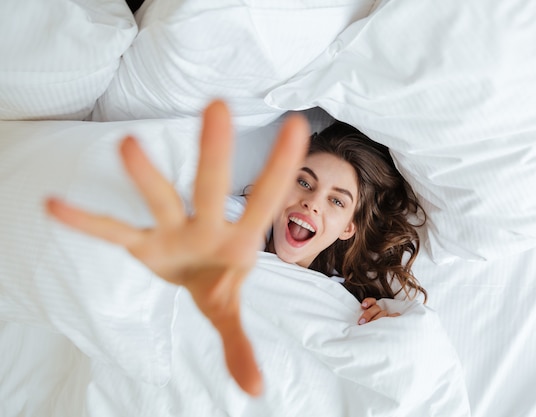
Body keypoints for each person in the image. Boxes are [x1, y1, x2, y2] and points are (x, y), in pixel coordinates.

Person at [45, 100, 426, 397]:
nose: (312, 204)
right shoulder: (231, 221)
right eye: (304, 183)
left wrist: (393, 325)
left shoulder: (345, 303)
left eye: (337, 201)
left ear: (349, 229)